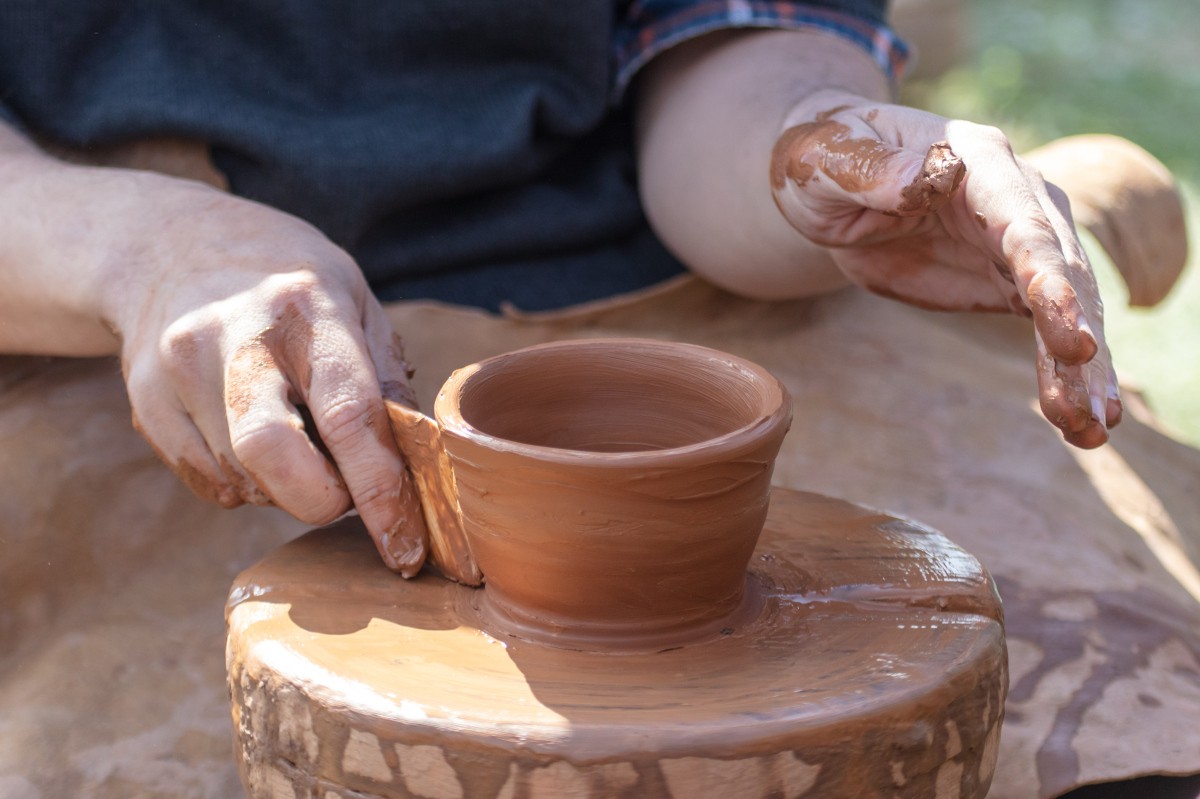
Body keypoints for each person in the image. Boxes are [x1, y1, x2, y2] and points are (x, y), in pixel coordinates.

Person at [0, 0, 1118, 575]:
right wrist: (144, 252)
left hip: (644, 292)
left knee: (1090, 685)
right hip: (102, 309)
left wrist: (827, 149)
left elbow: (728, 51)